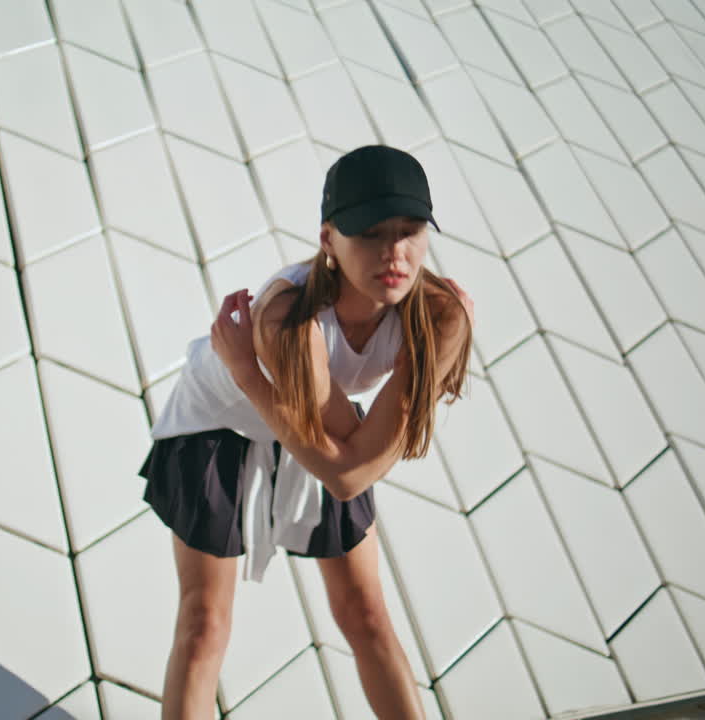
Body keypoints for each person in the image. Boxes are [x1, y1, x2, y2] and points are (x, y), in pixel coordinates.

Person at [139, 145, 475, 719]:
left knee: (366, 613)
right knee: (205, 622)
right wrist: (246, 374)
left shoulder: (441, 314)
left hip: (292, 420)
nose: (394, 252)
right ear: (328, 240)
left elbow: (351, 467)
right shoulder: (287, 318)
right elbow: (348, 472)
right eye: (370, 233)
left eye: (410, 231)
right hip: (216, 426)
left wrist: (256, 379)